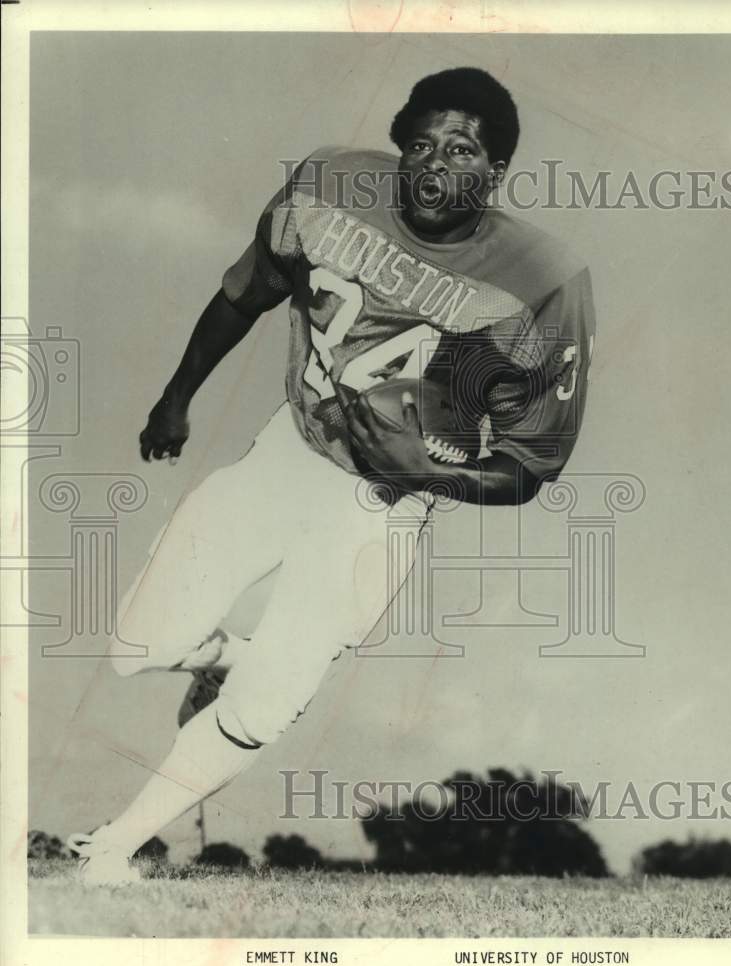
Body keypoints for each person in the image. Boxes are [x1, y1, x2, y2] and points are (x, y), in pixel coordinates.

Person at [67, 67, 594, 883]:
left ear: (496, 173)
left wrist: (429, 472)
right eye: (419, 143)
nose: (433, 165)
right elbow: (245, 294)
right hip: (292, 449)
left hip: (384, 507)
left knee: (266, 706)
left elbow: (530, 465)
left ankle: (110, 849)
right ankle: (224, 655)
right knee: (136, 647)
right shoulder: (331, 183)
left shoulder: (543, 276)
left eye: (461, 150)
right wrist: (173, 400)